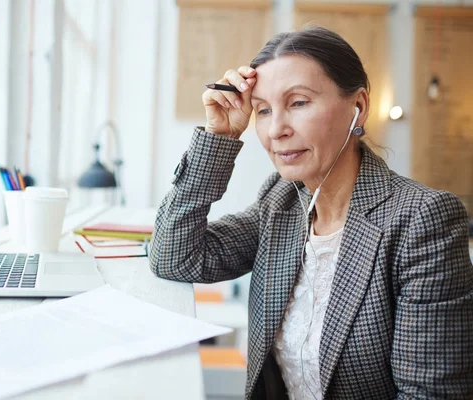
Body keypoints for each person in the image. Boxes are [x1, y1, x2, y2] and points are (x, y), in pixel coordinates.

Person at [149, 26, 473, 399]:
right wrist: (219, 138)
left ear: (359, 106)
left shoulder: (423, 219)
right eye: (263, 110)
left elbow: (430, 394)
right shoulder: (281, 200)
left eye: (298, 103)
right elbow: (176, 258)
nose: (276, 130)